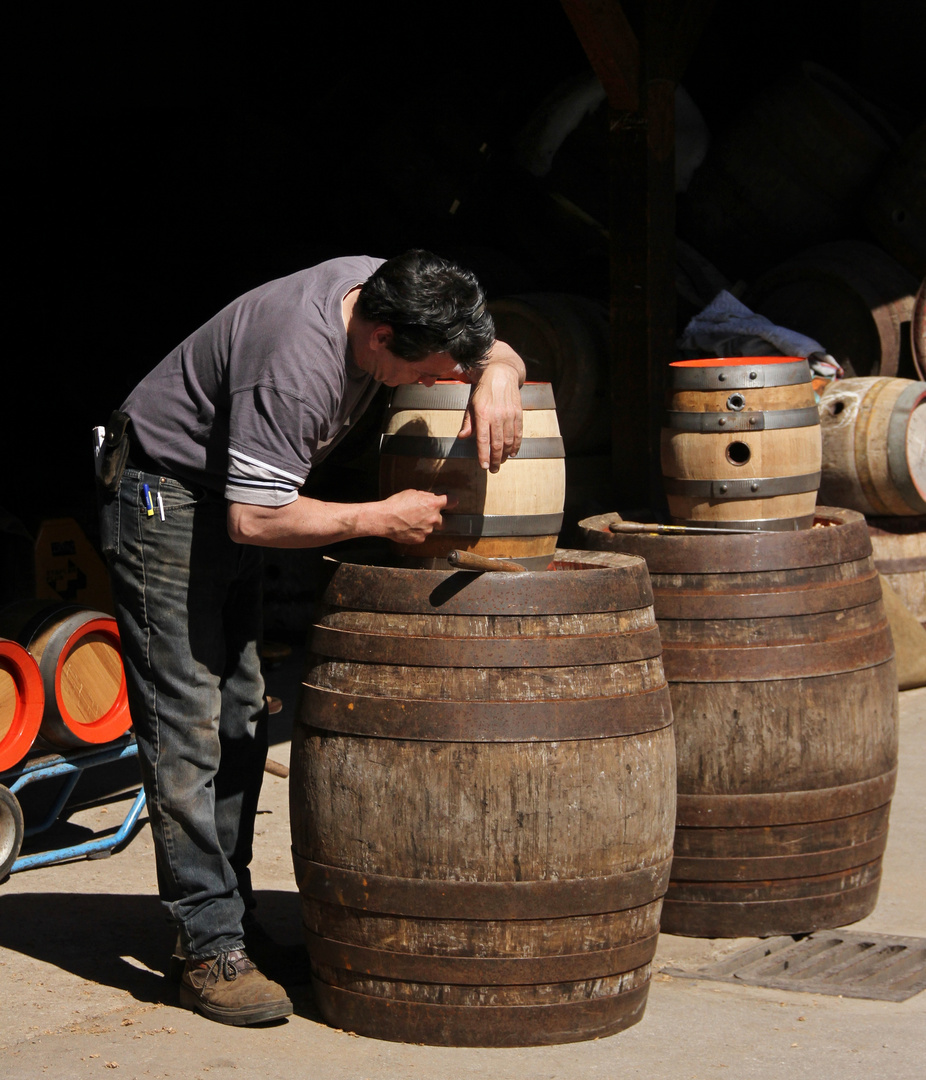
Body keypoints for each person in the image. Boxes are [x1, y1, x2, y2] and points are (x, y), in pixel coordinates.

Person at [96, 249, 525, 1026]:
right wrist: (378, 517)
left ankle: (232, 923)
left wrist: (498, 372)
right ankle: (206, 948)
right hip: (168, 497)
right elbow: (255, 517)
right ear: (379, 336)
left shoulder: (388, 283)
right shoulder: (292, 368)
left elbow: (481, 345)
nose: (437, 380)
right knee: (187, 724)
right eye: (422, 369)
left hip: (227, 490)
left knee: (242, 713)